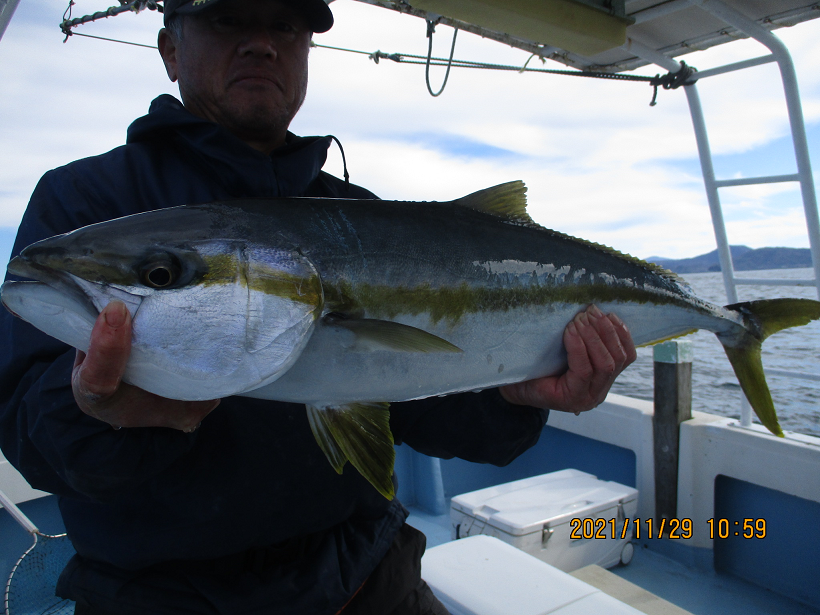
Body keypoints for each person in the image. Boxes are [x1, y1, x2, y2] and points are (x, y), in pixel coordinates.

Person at [0, 0, 637, 613]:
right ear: (170, 49)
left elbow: (428, 413)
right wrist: (95, 412)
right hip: (156, 596)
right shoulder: (85, 204)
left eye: (286, 23)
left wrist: (512, 398)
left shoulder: (362, 215)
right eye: (228, 19)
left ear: (307, 52)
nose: (261, 41)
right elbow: (24, 427)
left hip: (366, 577)